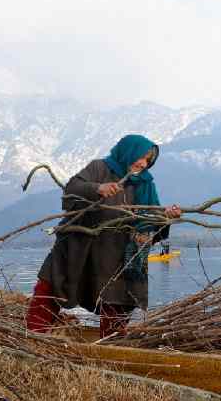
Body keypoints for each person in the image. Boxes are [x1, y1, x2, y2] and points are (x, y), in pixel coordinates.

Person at [25, 135, 182, 338]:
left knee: (118, 297)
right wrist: (97, 188)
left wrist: (164, 216)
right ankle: (34, 334)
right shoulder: (99, 168)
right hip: (77, 244)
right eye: (141, 157)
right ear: (128, 152)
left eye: (148, 160)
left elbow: (148, 221)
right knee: (52, 284)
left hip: (116, 252)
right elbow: (72, 189)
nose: (143, 164)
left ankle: (110, 345)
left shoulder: (145, 185)